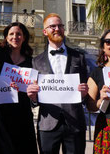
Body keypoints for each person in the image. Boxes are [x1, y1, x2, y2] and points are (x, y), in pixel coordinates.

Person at [27, 13, 89, 154]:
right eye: (52, 26)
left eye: (60, 25)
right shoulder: (36, 61)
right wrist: (33, 97)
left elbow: (86, 92)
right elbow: (34, 101)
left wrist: (84, 94)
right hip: (47, 123)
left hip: (75, 122)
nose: (57, 29)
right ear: (45, 31)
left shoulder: (79, 57)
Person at [0, 22, 38, 154]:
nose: (15, 37)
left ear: (24, 37)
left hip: (22, 114)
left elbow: (34, 93)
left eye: (19, 34)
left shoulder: (31, 62)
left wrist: (34, 96)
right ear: (6, 37)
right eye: (11, 34)